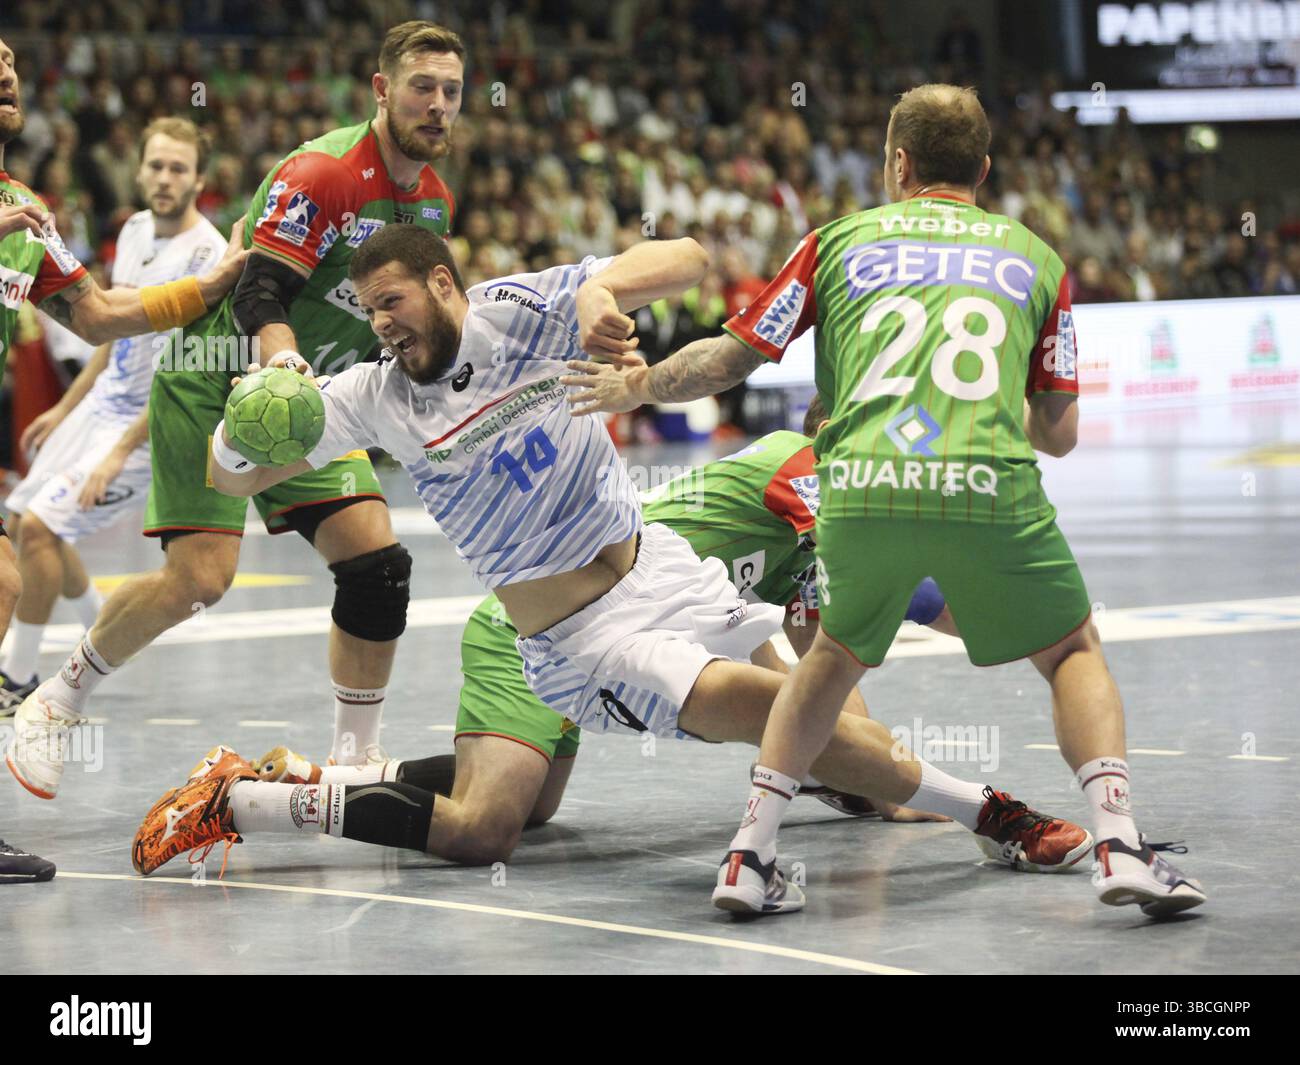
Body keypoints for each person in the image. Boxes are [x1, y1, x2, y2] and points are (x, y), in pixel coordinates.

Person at [131, 226, 1088, 891]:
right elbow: (234, 476)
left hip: (661, 566)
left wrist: (599, 289)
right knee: (758, 724)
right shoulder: (372, 395)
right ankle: (1001, 815)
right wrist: (264, 403)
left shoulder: (518, 310)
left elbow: (688, 259)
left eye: (393, 302)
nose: (382, 325)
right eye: (369, 312)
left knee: (848, 755)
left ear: (443, 286)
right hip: (582, 640)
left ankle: (286, 782)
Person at [563, 84, 1205, 919]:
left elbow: (730, 358)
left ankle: (748, 858)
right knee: (1072, 650)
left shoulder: (836, 242)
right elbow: (1060, 433)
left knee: (828, 660)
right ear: (983, 167)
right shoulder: (1036, 258)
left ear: (897, 164)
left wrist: (639, 383)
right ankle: (1119, 843)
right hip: (986, 480)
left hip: (859, 482)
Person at [6, 22, 463, 803]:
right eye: (423, 86)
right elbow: (258, 291)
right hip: (213, 379)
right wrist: (281, 362)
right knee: (200, 579)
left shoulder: (434, 204)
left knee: (378, 566)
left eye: (453, 90)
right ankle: (55, 698)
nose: (440, 105)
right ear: (383, 90)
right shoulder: (322, 172)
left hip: (310, 397)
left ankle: (353, 761)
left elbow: (411, 315)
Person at [0, 37, 245, 878]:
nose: (4, 66)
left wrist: (208, 291)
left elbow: (99, 315)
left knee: (8, 568)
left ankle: (35, 672)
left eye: (8, 57)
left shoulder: (23, 211)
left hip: (124, 415)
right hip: (99, 413)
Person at [1, 118, 228, 710]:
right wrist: (65, 408)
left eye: (179, 168)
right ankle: (99, 625)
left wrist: (118, 453)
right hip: (101, 405)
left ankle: (18, 675)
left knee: (43, 530)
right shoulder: (130, 230)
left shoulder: (209, 251)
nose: (164, 177)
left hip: (151, 422)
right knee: (28, 519)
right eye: (155, 165)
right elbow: (104, 325)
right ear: (139, 169)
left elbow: (190, 367)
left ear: (199, 179)